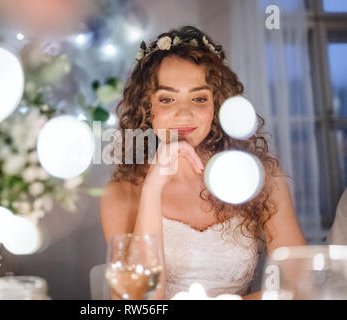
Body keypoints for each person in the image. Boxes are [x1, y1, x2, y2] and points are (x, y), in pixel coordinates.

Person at [100, 26, 306, 300]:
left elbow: (301, 284)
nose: (184, 114)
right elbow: (138, 302)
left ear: (217, 106)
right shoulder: (120, 193)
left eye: (199, 98)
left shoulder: (261, 177)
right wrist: (153, 189)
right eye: (167, 99)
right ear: (146, 109)